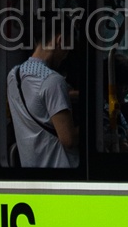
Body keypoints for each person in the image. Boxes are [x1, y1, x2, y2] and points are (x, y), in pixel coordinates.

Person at [7, 31, 77, 167]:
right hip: (62, 172)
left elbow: (37, 101)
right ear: (60, 40)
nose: (66, 56)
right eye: (68, 49)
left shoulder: (13, 76)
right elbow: (69, 140)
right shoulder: (53, 80)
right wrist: (95, 128)